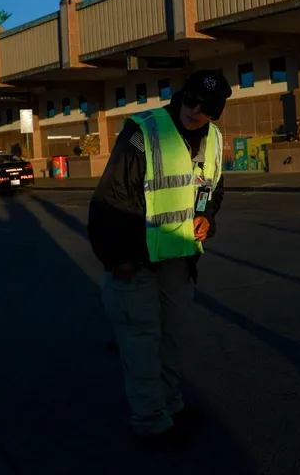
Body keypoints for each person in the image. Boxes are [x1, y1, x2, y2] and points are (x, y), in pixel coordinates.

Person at [87, 69, 231, 449]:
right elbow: (111, 198)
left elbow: (211, 190)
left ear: (217, 112)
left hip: (179, 257)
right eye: (191, 100)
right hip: (134, 257)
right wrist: (118, 258)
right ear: (182, 95)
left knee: (172, 336)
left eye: (206, 107)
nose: (195, 110)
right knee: (141, 337)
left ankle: (170, 405)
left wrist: (206, 218)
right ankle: (150, 421)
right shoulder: (143, 130)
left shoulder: (215, 140)